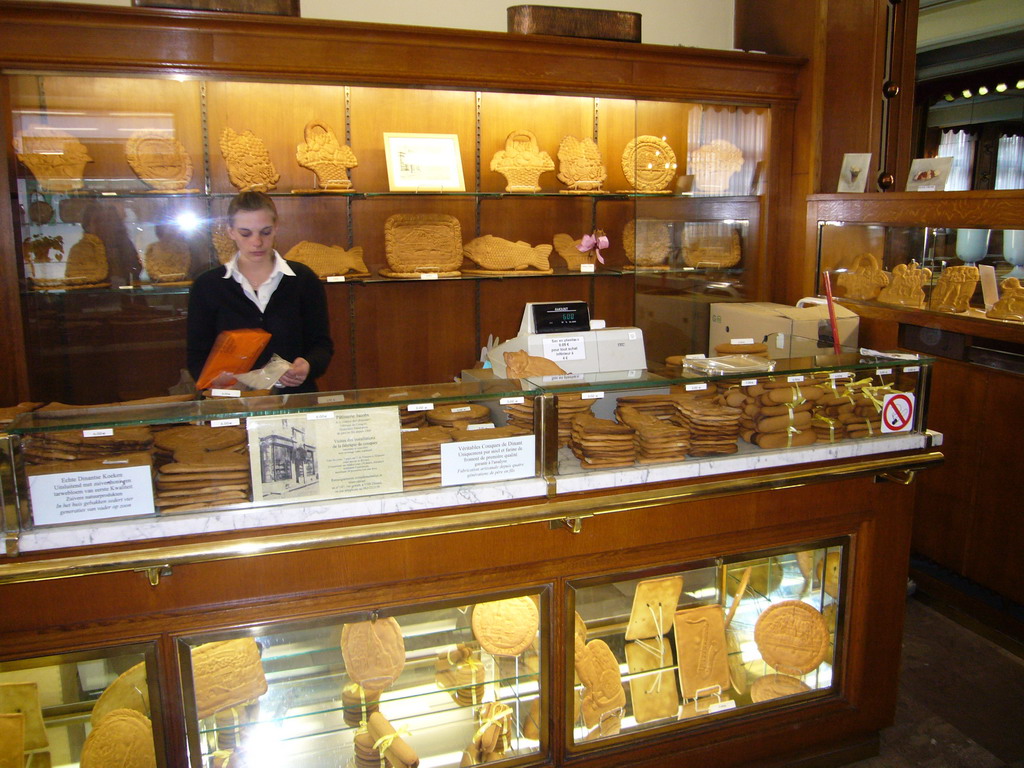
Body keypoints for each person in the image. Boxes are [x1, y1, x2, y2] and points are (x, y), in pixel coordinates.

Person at [186, 191, 333, 393]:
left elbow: (321, 345)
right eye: (245, 233)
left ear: (276, 228)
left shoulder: (303, 279)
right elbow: (196, 356)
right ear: (231, 232)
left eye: (265, 232)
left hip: (294, 402)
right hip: (234, 405)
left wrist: (308, 365)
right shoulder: (207, 286)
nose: (256, 242)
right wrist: (216, 381)